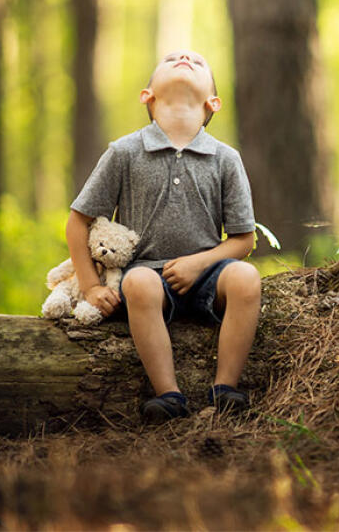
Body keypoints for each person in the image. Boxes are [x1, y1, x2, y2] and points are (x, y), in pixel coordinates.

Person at [66, 49, 261, 422]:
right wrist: (91, 287)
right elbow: (78, 221)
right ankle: (168, 394)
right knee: (139, 282)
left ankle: (226, 387)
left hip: (209, 274)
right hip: (147, 277)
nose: (185, 57)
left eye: (198, 62)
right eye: (172, 58)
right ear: (147, 95)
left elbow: (243, 240)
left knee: (247, 277)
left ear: (213, 103)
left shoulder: (224, 158)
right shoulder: (125, 152)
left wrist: (198, 263)